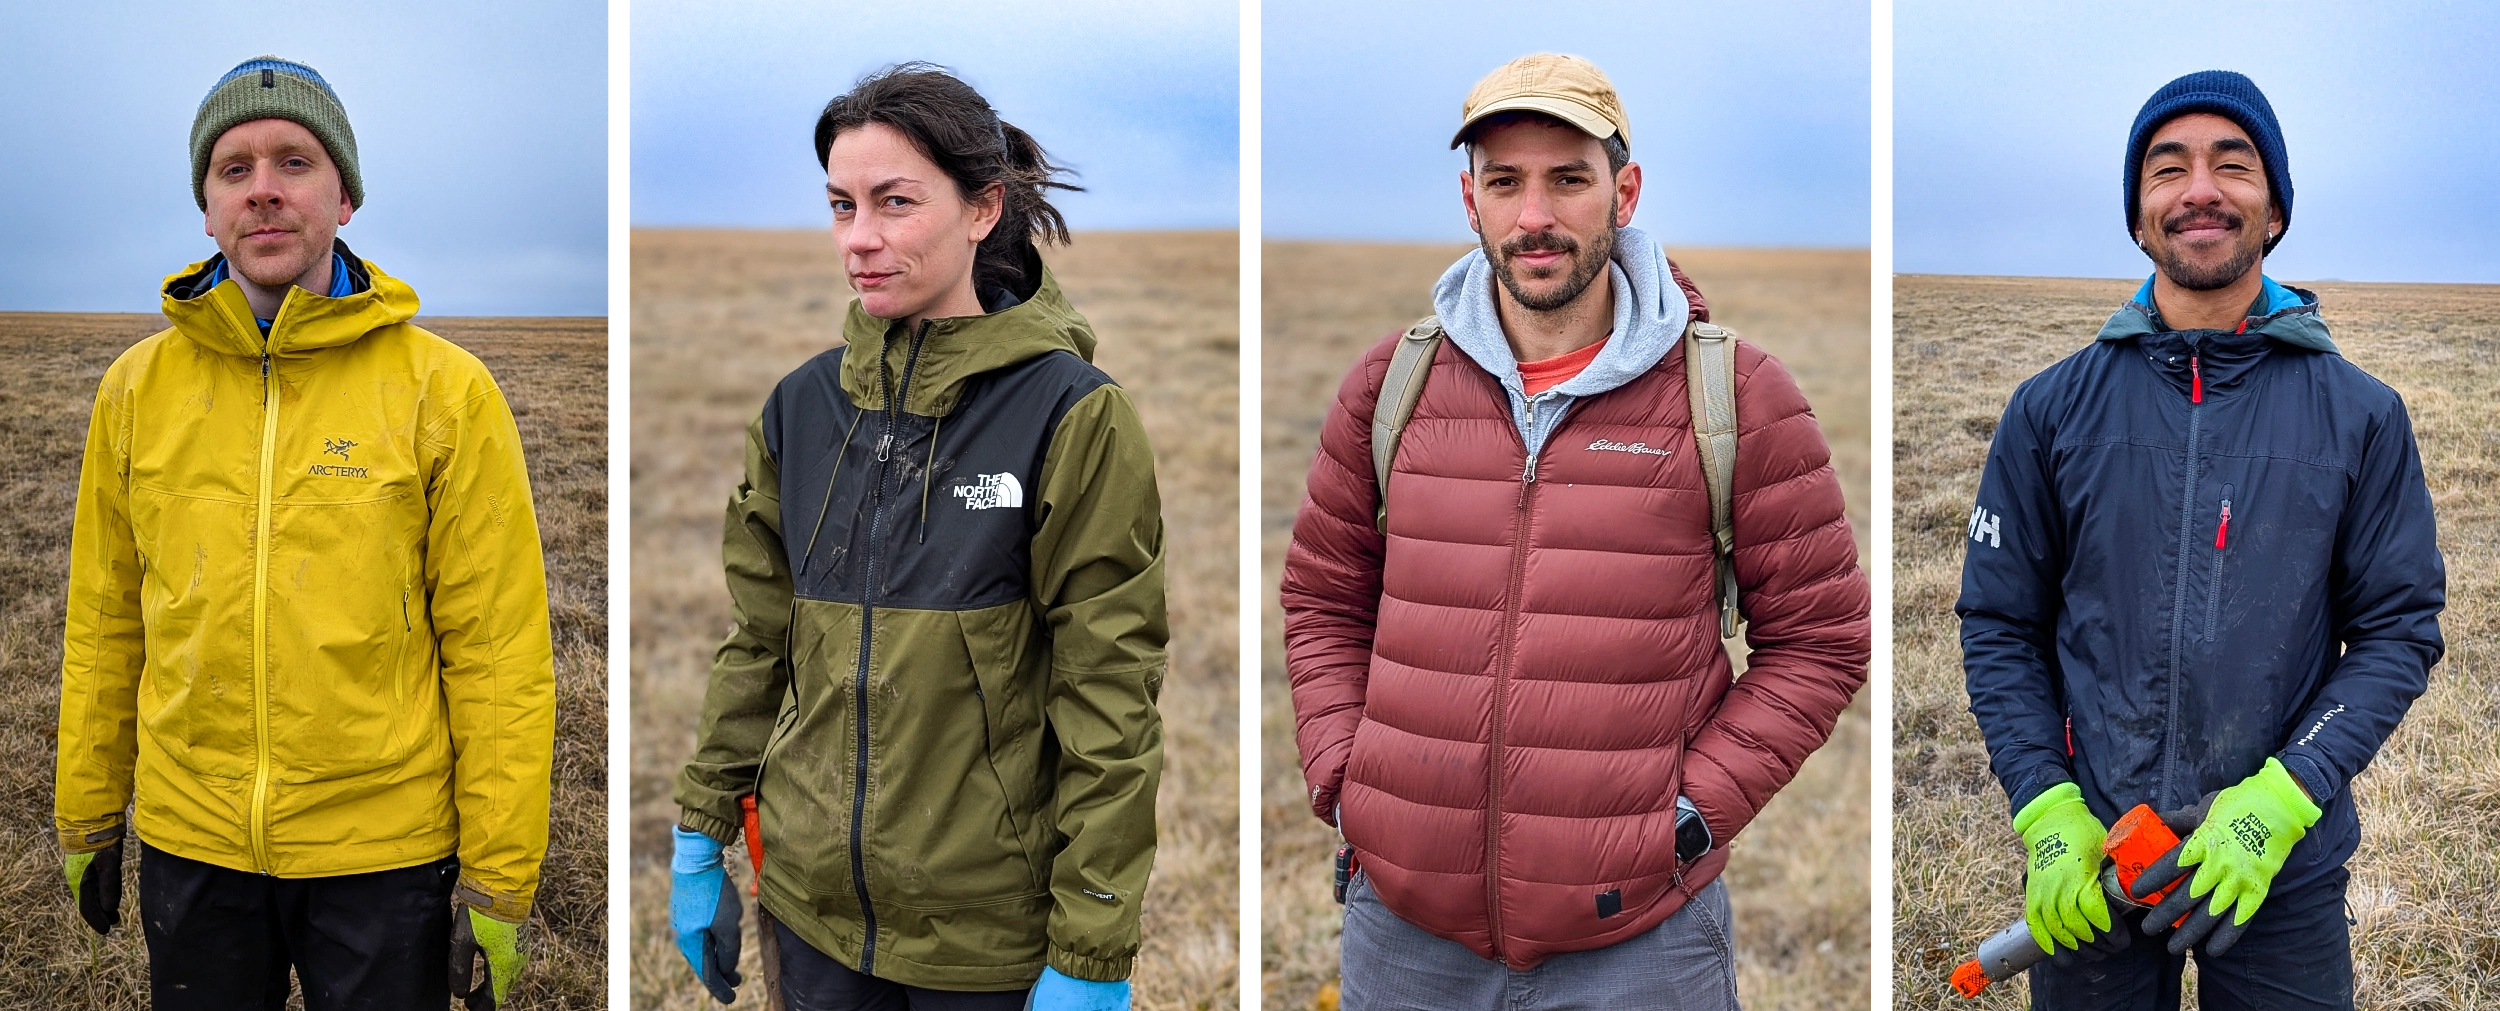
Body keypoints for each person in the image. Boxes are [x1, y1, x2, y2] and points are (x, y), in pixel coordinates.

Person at [1280, 53, 1870, 1011]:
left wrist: (1685, 819)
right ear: (1469, 199)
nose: (1535, 217)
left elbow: (1823, 638)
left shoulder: (1736, 396)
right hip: (1404, 931)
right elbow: (1322, 596)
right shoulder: (1393, 385)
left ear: (1624, 192)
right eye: (1505, 182)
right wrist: (1350, 783)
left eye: (1569, 179)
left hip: (1636, 938)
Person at [53, 56, 556, 1010]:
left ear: (346, 196)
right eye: (234, 169)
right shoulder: (135, 390)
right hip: (190, 840)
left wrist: (499, 874)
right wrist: (85, 813)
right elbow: (105, 620)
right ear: (206, 207)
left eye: (295, 161)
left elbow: (498, 655)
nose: (265, 190)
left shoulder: (445, 392)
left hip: (384, 856)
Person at [669, 63, 1165, 1011]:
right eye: (841, 204)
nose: (860, 239)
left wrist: (1093, 942)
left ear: (983, 209)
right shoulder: (801, 409)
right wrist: (699, 832)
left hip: (984, 939)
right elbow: (758, 640)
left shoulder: (1072, 415)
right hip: (810, 910)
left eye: (895, 203)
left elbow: (1111, 695)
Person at [1959, 70, 2442, 1009]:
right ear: (2140, 217)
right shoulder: (2050, 409)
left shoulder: (2363, 416)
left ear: (2275, 212)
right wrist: (2046, 806)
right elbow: (1999, 623)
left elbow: (2397, 630)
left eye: (2234, 163)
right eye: (2166, 168)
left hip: (2280, 866)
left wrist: (2283, 799)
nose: (2200, 189)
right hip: (2097, 865)